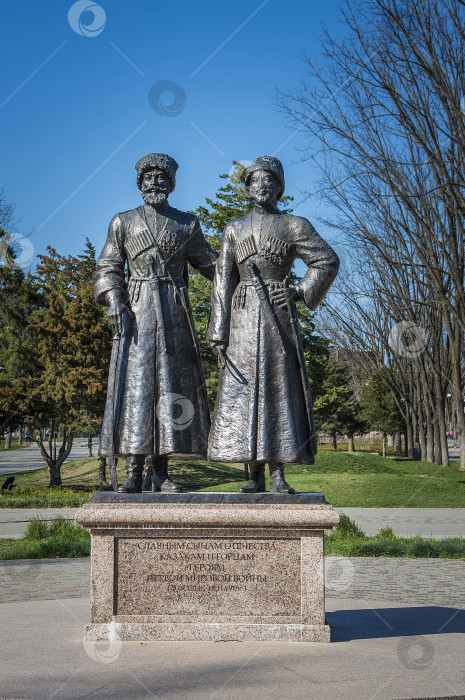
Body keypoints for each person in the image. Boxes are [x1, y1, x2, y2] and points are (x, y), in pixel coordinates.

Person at [206, 156, 339, 493]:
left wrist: (298, 291)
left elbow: (326, 261)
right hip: (242, 318)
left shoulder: (295, 225)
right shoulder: (234, 229)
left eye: (270, 181)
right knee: (245, 391)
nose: (262, 186)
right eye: (255, 180)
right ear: (247, 188)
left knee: (279, 391)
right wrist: (218, 333)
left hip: (278, 315)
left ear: (280, 187)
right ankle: (252, 476)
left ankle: (278, 474)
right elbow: (222, 281)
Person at [95, 153, 217, 493]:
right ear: (139, 183)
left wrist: (250, 268)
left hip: (174, 313)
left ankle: (161, 473)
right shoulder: (123, 221)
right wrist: (114, 301)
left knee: (169, 388)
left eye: (161, 177)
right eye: (148, 177)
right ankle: (134, 470)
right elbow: (108, 267)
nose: (154, 183)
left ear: (172, 183)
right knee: (138, 388)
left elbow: (211, 265)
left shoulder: (186, 224)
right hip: (136, 313)